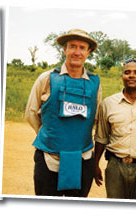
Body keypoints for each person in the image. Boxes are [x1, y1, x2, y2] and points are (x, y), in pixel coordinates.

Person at [24, 28, 101, 197]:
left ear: (88, 52)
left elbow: (95, 118)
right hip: (49, 158)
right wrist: (50, 136)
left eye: (82, 48)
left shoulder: (95, 83)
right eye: (72, 46)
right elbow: (31, 113)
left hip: (83, 158)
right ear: (64, 50)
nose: (77, 52)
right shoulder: (47, 78)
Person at [93, 57, 136, 199]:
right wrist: (95, 165)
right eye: (127, 72)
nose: (131, 75)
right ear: (122, 76)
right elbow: (102, 137)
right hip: (115, 166)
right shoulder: (108, 103)